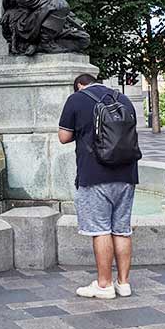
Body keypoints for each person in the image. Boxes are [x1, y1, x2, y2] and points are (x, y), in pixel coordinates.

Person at [58, 74, 140, 299]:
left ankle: (104, 285)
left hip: (95, 174)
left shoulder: (76, 99)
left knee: (100, 230)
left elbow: (63, 137)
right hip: (127, 173)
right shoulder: (123, 98)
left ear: (79, 85)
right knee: (122, 229)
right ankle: (123, 283)